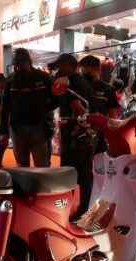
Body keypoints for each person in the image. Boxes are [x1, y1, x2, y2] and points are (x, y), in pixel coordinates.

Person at [49, 53, 96, 220]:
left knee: (67, 175)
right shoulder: (81, 80)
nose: (58, 70)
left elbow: (76, 107)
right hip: (88, 134)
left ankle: (64, 212)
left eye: (60, 65)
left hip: (76, 135)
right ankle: (85, 211)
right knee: (84, 175)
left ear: (69, 64)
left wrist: (80, 122)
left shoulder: (69, 80)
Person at [0, 48, 57, 168]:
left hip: (38, 128)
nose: (18, 67)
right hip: (17, 128)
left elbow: (56, 100)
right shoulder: (10, 81)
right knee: (21, 166)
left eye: (21, 64)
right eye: (16, 65)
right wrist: (3, 132)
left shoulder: (43, 78)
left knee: (41, 166)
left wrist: (43, 110)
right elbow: (5, 107)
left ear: (30, 62)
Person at [79, 54, 119, 154]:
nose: (83, 73)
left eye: (85, 70)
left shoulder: (108, 90)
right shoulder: (80, 88)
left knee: (99, 160)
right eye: (81, 71)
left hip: (100, 134)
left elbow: (113, 115)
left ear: (95, 69)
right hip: (81, 133)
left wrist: (110, 134)